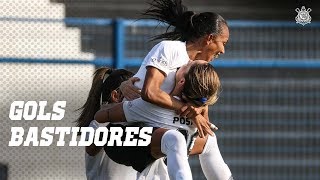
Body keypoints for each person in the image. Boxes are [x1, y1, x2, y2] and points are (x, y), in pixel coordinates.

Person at [95, 61, 222, 180]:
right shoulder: (199, 117)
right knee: (209, 140)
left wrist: (111, 105)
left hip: (144, 155)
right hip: (152, 155)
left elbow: (100, 116)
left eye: (189, 64)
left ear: (182, 82)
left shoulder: (148, 105)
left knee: (175, 138)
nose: (187, 61)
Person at [76, 67, 138, 180]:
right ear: (116, 96)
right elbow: (91, 148)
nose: (139, 101)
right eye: (133, 94)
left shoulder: (136, 122)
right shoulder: (98, 124)